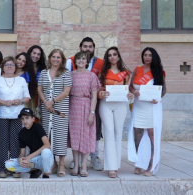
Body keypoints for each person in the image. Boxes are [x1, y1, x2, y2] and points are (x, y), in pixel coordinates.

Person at [65, 37, 104, 171]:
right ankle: (75, 165)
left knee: (86, 136)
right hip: (73, 107)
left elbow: (94, 96)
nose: (81, 61)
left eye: (83, 59)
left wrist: (92, 113)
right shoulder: (70, 75)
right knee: (75, 136)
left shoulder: (91, 76)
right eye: (79, 59)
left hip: (87, 106)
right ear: (75, 61)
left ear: (87, 62)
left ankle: (84, 166)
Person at [128, 47, 166, 177]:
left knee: (151, 135)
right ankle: (139, 163)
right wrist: (134, 92)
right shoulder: (137, 70)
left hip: (152, 107)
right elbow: (131, 86)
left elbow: (163, 90)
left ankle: (151, 164)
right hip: (139, 106)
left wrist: (158, 98)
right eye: (145, 55)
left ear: (154, 57)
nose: (147, 57)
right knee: (137, 135)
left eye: (150, 55)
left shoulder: (158, 71)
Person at [0, 57, 31, 178]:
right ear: (3, 67)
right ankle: (1, 168)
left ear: (15, 66)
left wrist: (20, 101)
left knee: (16, 142)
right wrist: (4, 102)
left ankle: (14, 167)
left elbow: (27, 97)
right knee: (2, 142)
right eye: (7, 64)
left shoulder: (21, 80)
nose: (9, 66)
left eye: (12, 64)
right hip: (2, 114)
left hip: (17, 116)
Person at [98, 47, 133, 178]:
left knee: (118, 134)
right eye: (109, 55)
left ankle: (116, 165)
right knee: (109, 133)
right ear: (107, 58)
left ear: (118, 56)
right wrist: (101, 93)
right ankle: (111, 167)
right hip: (106, 104)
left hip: (120, 105)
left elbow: (129, 90)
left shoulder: (126, 73)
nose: (112, 57)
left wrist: (130, 95)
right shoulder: (103, 72)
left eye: (114, 54)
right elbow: (98, 89)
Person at [37, 49, 72, 177]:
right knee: (48, 136)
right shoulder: (43, 72)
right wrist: (46, 102)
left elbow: (66, 91)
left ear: (62, 59)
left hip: (60, 110)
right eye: (53, 57)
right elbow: (39, 89)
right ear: (50, 58)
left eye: (58, 57)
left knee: (60, 136)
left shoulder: (66, 73)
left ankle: (62, 163)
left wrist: (52, 101)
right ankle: (53, 163)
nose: (56, 59)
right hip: (46, 110)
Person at [4, 108, 53, 179]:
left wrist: (29, 157)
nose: (25, 121)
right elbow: (22, 152)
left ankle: (46, 174)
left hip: (44, 159)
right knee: (8, 164)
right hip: (33, 160)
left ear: (33, 119)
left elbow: (47, 145)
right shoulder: (21, 133)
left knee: (46, 152)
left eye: (27, 118)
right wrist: (20, 159)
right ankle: (34, 170)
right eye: (22, 119)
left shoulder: (38, 127)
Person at [27, 45, 46, 123]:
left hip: (38, 97)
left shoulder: (42, 68)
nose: (36, 56)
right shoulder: (25, 66)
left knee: (37, 120)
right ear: (30, 53)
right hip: (27, 97)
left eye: (38, 54)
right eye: (34, 53)